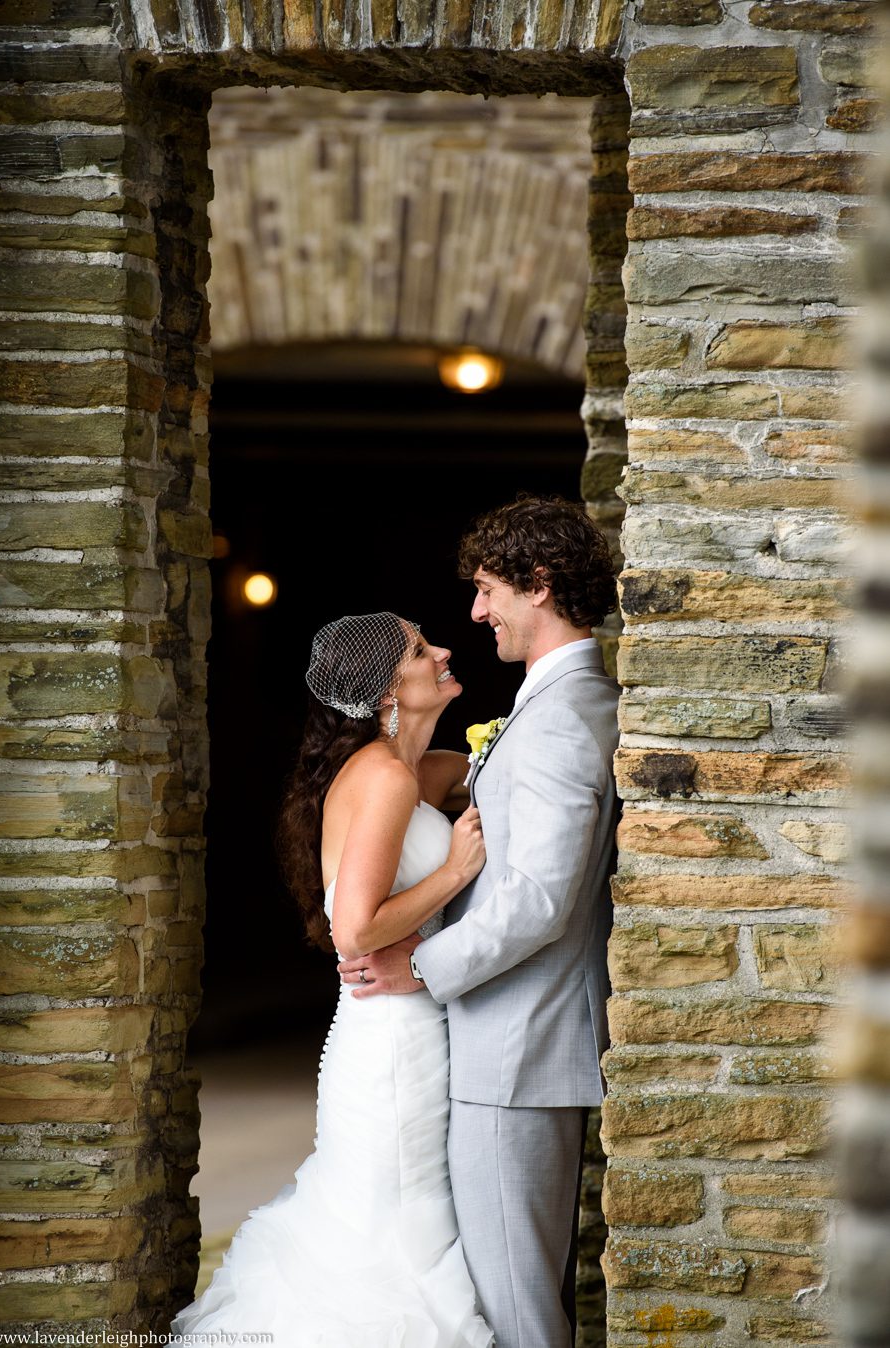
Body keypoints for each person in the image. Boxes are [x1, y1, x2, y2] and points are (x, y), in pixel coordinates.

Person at [339, 496, 619, 1348]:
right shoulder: (557, 704)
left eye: (488, 589)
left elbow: (538, 900)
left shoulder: (565, 717)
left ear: (539, 587)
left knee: (517, 1311)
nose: (475, 611)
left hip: (517, 1050)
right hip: (509, 1045)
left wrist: (420, 966)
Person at [170, 611, 494, 1347]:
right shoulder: (379, 778)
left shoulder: (405, 771)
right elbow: (353, 928)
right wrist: (455, 871)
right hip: (392, 1044)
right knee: (394, 1233)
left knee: (385, 1220)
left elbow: (472, 769)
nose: (443, 650)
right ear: (388, 690)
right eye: (420, 649)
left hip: (397, 1024)